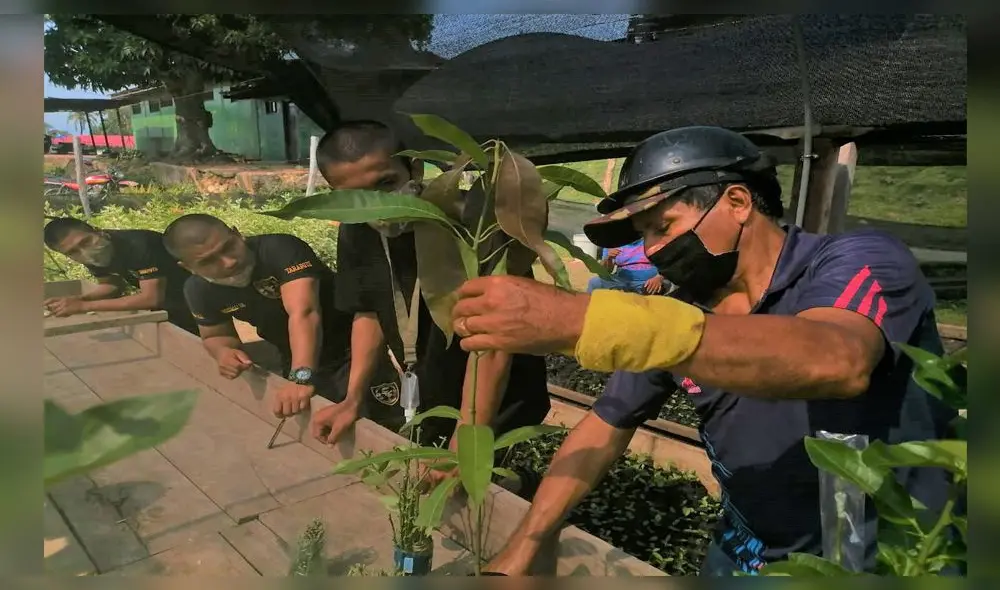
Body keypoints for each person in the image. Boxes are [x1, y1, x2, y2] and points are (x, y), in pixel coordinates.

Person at [449, 126, 960, 575]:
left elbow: (835, 359)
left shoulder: (853, 261)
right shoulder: (686, 308)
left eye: (662, 226)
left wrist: (584, 320)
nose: (650, 251)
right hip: (748, 554)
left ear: (737, 203)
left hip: (891, 558)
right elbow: (605, 425)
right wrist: (527, 545)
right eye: (644, 235)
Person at [308, 120, 551, 468]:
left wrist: (466, 441)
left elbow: (496, 339)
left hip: (498, 400)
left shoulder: (474, 226)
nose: (380, 206)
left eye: (387, 184)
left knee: (490, 490)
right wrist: (352, 398)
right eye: (358, 197)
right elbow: (368, 312)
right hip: (430, 389)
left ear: (415, 167)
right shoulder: (357, 231)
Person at [162, 213, 359, 419]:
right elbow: (214, 336)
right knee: (307, 416)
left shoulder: (280, 249)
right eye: (209, 261)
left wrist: (300, 378)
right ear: (188, 267)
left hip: (351, 344)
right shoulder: (198, 290)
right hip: (291, 354)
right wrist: (223, 353)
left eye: (229, 247)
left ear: (237, 234)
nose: (228, 262)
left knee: (371, 417)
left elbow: (304, 313)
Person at [43, 217, 199, 335]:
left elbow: (150, 298)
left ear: (97, 230)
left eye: (85, 241)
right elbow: (111, 286)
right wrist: (79, 300)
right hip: (170, 306)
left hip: (198, 298)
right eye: (72, 252)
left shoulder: (139, 245)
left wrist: (84, 306)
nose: (84, 251)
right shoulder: (90, 256)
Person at [586, 237, 666, 294]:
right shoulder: (612, 242)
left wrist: (659, 277)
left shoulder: (653, 239)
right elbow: (604, 271)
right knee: (595, 282)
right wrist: (609, 258)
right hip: (622, 281)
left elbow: (668, 263)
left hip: (649, 281)